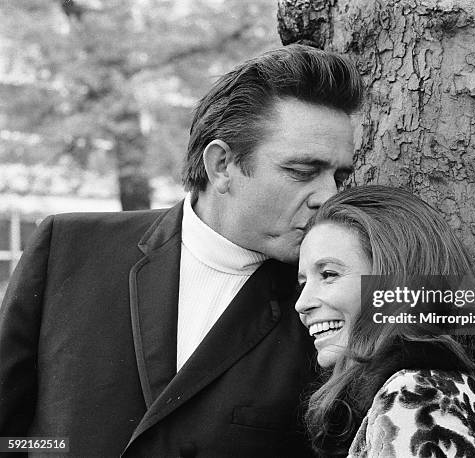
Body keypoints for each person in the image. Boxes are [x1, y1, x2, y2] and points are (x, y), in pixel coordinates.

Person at [0, 44, 363, 457]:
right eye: (303, 171)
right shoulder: (67, 246)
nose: (329, 197)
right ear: (221, 165)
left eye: (339, 176)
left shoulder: (331, 303)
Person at [295, 185, 475, 457]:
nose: (301, 304)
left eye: (328, 274)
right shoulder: (451, 391)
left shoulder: (417, 400)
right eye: (302, 283)